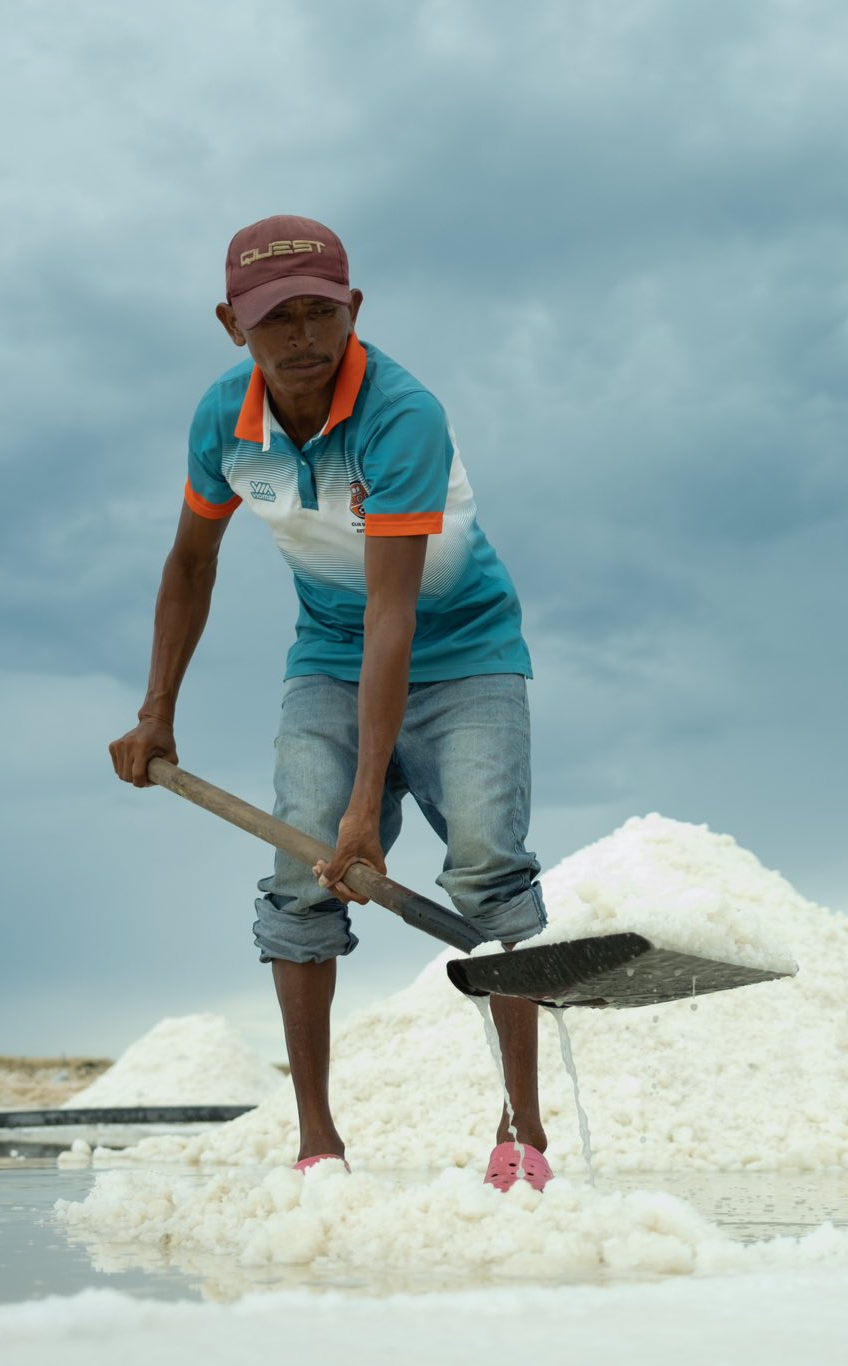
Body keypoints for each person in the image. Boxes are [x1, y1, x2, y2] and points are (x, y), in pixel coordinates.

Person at [108, 215, 553, 1192]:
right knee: (300, 882)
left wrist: (366, 812)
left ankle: (522, 1137)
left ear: (355, 309)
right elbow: (190, 560)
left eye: (324, 312)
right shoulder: (222, 420)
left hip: (463, 649)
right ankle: (318, 1143)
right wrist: (156, 711)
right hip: (325, 657)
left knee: (486, 871)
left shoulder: (402, 415)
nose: (304, 336)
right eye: (278, 319)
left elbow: (393, 614)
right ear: (233, 325)